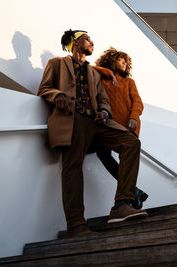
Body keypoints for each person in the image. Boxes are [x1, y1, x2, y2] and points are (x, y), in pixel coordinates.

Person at [37, 29, 148, 237]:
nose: (91, 41)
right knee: (72, 167)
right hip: (72, 120)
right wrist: (58, 94)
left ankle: (121, 205)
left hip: (97, 123)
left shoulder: (94, 73)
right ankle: (76, 225)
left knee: (131, 142)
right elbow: (44, 89)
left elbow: (103, 99)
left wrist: (105, 111)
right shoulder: (57, 64)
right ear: (75, 43)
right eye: (87, 38)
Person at [91, 47, 148, 209]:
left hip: (126, 125)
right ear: (111, 60)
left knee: (126, 156)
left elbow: (138, 102)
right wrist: (106, 72)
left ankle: (128, 196)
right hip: (107, 125)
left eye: (125, 62)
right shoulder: (101, 77)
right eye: (120, 61)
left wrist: (133, 117)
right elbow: (87, 68)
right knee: (103, 154)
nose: (123, 64)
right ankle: (133, 192)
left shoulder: (129, 82)